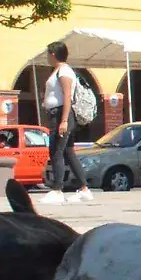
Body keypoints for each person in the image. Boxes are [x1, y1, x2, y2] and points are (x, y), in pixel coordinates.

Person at [40, 41, 92, 204]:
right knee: (68, 152)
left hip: (61, 115)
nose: (47, 57)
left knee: (56, 152)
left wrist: (63, 120)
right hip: (57, 114)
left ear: (53, 54)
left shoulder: (64, 71)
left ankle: (57, 190)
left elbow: (67, 96)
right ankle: (84, 188)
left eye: (48, 54)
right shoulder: (59, 71)